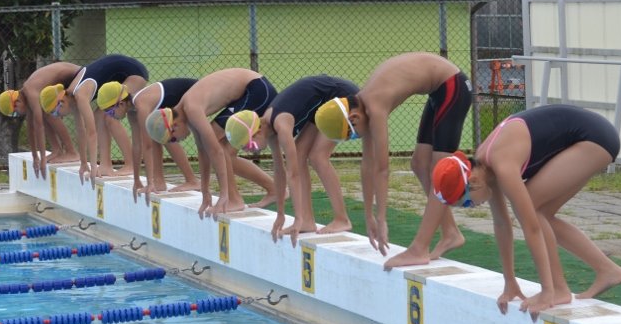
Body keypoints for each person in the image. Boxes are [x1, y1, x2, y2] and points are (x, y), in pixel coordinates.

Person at [431, 104, 621, 316]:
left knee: (533, 208)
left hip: (594, 138)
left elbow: (531, 228)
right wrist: (509, 281)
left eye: (467, 203)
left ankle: (558, 289)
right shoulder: (484, 167)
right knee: (541, 212)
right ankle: (607, 270)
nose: (472, 207)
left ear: (473, 181)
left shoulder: (501, 164)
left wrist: (546, 291)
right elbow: (501, 224)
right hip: (586, 136)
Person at [315, 52, 472, 263]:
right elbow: (367, 164)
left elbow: (382, 168)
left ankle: (419, 248)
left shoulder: (375, 106)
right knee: (419, 164)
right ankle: (451, 232)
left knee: (438, 170)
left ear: (353, 118)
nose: (358, 138)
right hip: (438, 91)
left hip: (454, 87)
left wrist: (382, 218)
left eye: (352, 135)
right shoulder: (362, 107)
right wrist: (368, 215)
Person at [225, 74, 359, 247]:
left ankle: (342, 219)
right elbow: (280, 172)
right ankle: (307, 221)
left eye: (248, 146)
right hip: (323, 102)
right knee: (301, 152)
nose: (251, 151)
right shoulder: (268, 128)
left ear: (257, 132)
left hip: (343, 98)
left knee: (318, 156)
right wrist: (280, 213)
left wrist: (296, 218)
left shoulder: (281, 124)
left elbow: (293, 174)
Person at [144, 68, 278, 218]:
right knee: (222, 151)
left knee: (219, 146)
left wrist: (223, 196)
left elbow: (215, 150)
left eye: (173, 139)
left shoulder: (192, 108)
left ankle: (233, 199)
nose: (178, 141)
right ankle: (273, 190)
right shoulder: (186, 112)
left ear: (174, 126)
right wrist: (205, 192)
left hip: (256, 89)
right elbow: (203, 151)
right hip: (250, 89)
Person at [40, 54, 148, 188]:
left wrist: (92, 167)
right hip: (118, 71)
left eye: (55, 113)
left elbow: (91, 133)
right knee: (99, 114)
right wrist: (84, 164)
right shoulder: (71, 97)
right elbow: (81, 131)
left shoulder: (79, 95)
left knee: (108, 115)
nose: (59, 117)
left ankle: (130, 164)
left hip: (133, 73)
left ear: (61, 102)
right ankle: (105, 166)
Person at [96, 78, 200, 204]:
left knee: (163, 134)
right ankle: (159, 181)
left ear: (121, 104)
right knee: (158, 132)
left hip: (195, 91)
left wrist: (149, 183)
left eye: (110, 111)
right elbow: (137, 145)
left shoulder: (141, 105)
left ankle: (192, 181)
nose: (110, 116)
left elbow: (147, 146)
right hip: (182, 96)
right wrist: (136, 180)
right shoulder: (132, 111)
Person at [0, 62, 80, 178]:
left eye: (15, 113)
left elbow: (39, 126)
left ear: (16, 103)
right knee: (44, 111)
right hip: (72, 77)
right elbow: (31, 128)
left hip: (78, 75)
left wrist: (42, 158)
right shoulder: (27, 95)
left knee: (48, 112)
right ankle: (57, 150)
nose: (19, 115)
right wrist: (36, 156)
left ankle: (72, 152)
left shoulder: (31, 92)